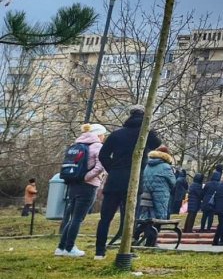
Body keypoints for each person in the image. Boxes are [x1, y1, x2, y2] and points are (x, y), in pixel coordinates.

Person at [94, 104, 161, 260]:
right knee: (130, 218)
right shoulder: (145, 134)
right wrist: (149, 127)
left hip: (115, 180)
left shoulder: (116, 134)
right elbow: (157, 143)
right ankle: (126, 249)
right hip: (134, 181)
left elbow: (103, 155)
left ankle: (99, 251)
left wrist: (113, 169)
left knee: (105, 218)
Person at [55, 123, 107, 257]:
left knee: (73, 217)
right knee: (78, 218)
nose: (104, 137)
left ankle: (61, 247)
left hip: (73, 183)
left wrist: (80, 177)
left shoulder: (77, 144)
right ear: (99, 134)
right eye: (103, 135)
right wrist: (86, 177)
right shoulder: (98, 146)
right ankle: (70, 248)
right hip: (88, 185)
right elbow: (100, 167)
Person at [135, 145, 176, 246]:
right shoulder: (166, 167)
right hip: (161, 196)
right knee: (159, 218)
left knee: (147, 218)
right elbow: (173, 182)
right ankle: (152, 242)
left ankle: (137, 235)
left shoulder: (147, 165)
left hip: (146, 195)